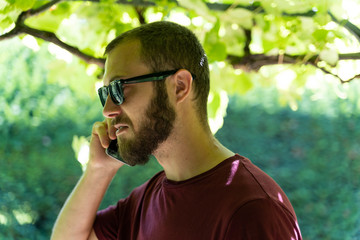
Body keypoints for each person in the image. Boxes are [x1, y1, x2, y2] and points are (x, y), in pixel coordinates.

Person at [51, 21, 302, 240]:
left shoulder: (253, 210)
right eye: (104, 93)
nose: (108, 109)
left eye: (118, 88)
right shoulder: (144, 202)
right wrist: (98, 170)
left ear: (179, 86)